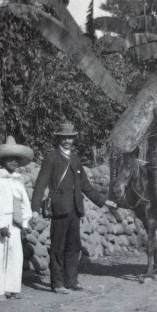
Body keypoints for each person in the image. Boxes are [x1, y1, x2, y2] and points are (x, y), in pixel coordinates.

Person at [30, 122, 117, 294]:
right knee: (57, 247)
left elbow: (86, 186)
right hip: (60, 209)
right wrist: (34, 209)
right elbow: (40, 184)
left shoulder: (75, 159)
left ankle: (71, 280)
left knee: (74, 247)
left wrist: (103, 201)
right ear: (59, 139)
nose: (68, 141)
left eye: (70, 137)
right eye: (64, 138)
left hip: (75, 210)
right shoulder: (51, 157)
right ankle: (58, 283)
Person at [0, 136, 34, 302]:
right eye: (9, 159)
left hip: (16, 222)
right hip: (1, 222)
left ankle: (13, 287)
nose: (13, 162)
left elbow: (24, 204)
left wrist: (25, 223)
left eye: (16, 159)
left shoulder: (18, 182)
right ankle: (0, 291)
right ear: (2, 161)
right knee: (1, 254)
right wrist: (1, 225)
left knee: (15, 254)